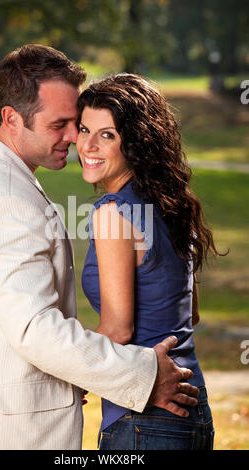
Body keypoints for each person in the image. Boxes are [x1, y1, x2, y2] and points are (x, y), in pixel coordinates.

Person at [0, 45, 199, 450]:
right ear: (12, 118)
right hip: (10, 429)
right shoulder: (6, 197)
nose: (74, 138)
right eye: (62, 125)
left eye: (80, 125)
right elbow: (34, 329)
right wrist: (133, 374)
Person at [77, 73, 217, 450]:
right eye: (83, 128)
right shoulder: (171, 202)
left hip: (146, 416)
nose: (87, 145)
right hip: (193, 409)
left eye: (107, 134)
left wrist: (71, 373)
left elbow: (119, 330)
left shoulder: (113, 212)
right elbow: (191, 314)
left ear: (136, 143)